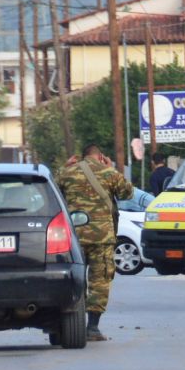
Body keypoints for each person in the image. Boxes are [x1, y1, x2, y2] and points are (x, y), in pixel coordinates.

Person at [57, 144, 134, 341]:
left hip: (73, 237)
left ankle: (69, 323)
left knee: (73, 279)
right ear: (100, 157)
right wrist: (112, 169)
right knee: (99, 281)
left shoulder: (67, 173)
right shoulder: (109, 173)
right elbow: (127, 193)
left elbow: (53, 191)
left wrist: (65, 167)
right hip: (102, 238)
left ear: (81, 157)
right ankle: (92, 327)